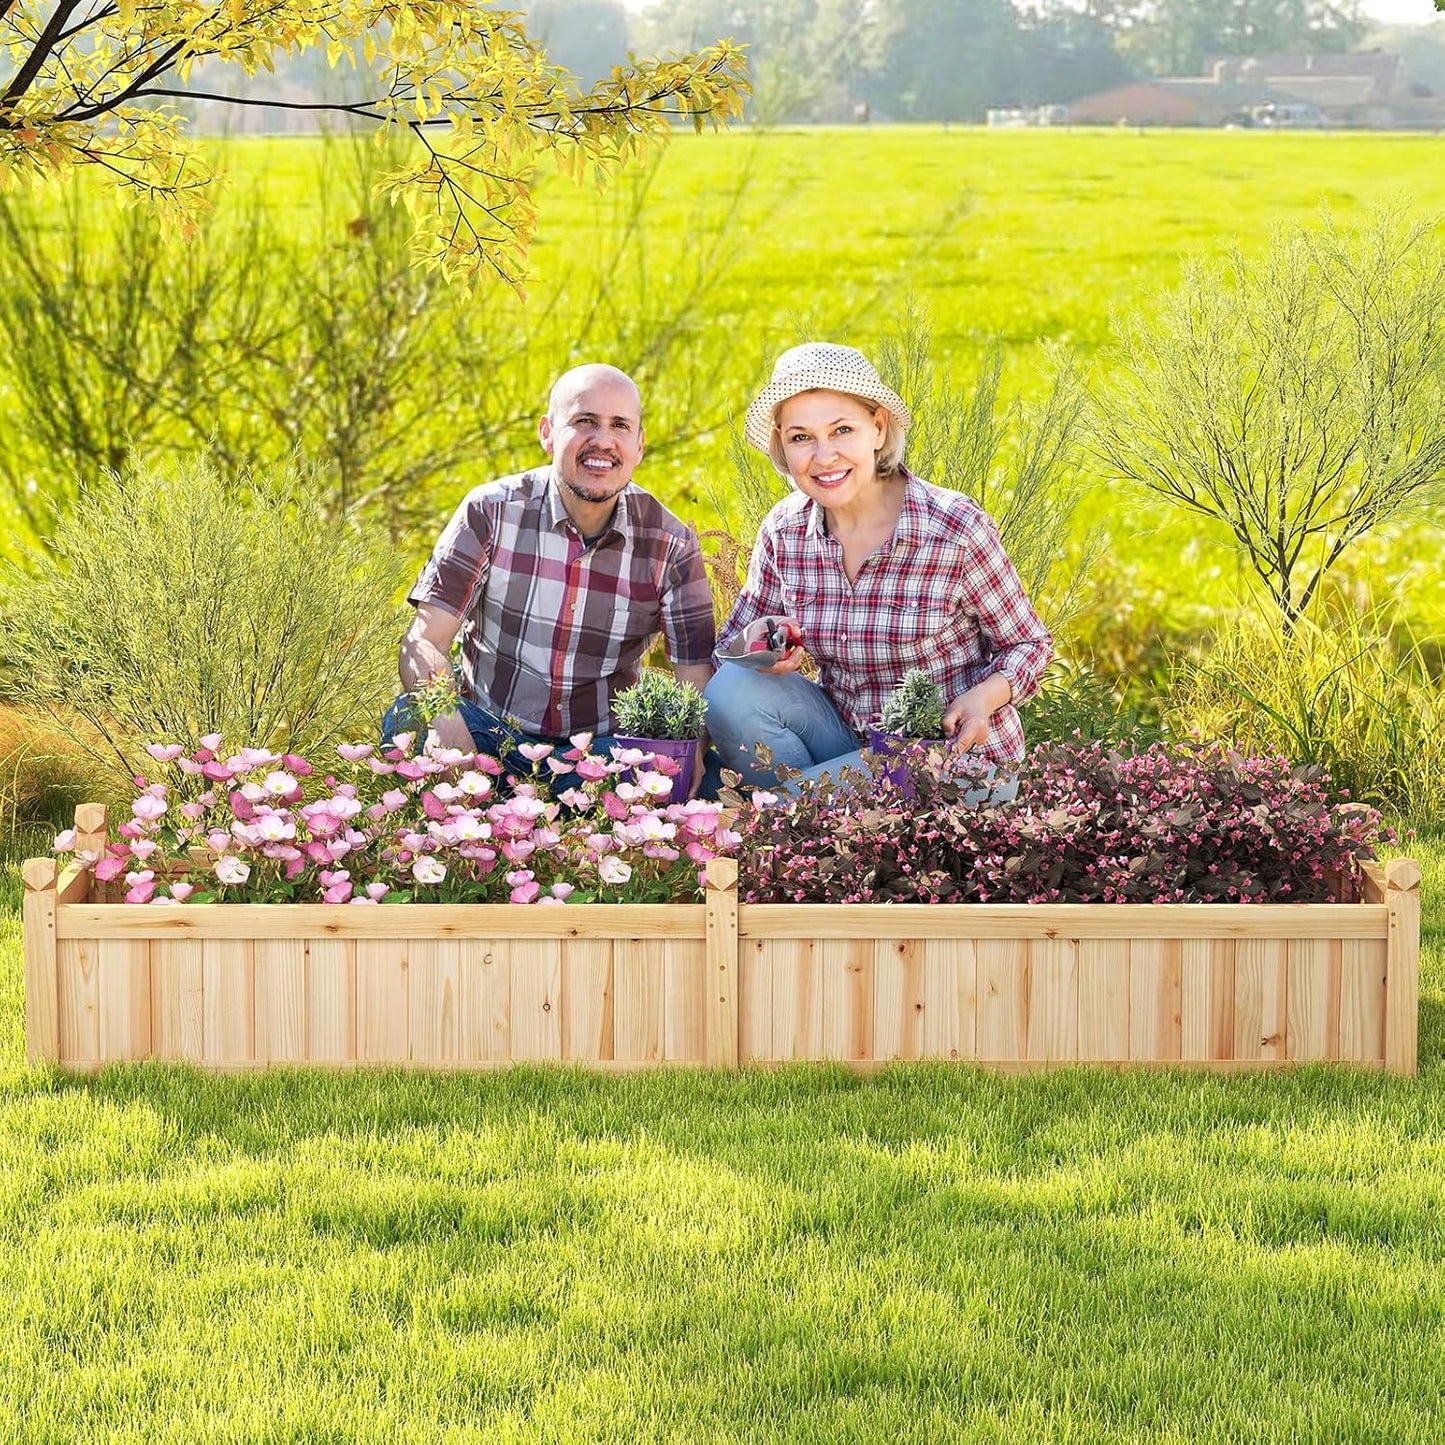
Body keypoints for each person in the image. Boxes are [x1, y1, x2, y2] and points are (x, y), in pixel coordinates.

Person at [705, 342, 1052, 791]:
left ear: (878, 427)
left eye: (842, 429)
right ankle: (814, 827)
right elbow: (729, 650)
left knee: (786, 810)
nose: (824, 456)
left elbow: (1029, 644)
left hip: (949, 758)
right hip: (845, 747)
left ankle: (788, 826)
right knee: (732, 689)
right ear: (782, 447)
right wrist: (762, 646)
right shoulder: (785, 531)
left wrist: (983, 698)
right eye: (800, 437)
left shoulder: (953, 528)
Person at [386, 364, 716, 785]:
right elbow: (426, 639)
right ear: (547, 432)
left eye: (620, 425)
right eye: (584, 421)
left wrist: (690, 758)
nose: (603, 440)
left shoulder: (669, 544)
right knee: (410, 719)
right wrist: (447, 722)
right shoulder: (491, 510)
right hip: (486, 735)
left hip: (598, 757)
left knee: (695, 773)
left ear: (639, 444)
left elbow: (695, 678)